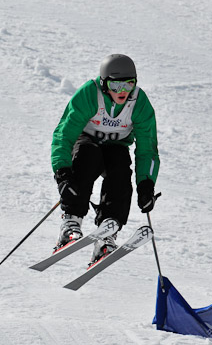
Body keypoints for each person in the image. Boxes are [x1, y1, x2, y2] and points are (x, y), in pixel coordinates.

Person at [51, 54, 160, 264]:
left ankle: (107, 232)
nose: (123, 92)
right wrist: (62, 172)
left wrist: (146, 183)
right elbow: (63, 135)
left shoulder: (139, 103)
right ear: (104, 83)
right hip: (86, 140)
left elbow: (148, 149)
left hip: (116, 146)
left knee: (120, 170)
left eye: (128, 85)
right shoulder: (90, 94)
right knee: (87, 157)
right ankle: (71, 221)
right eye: (116, 85)